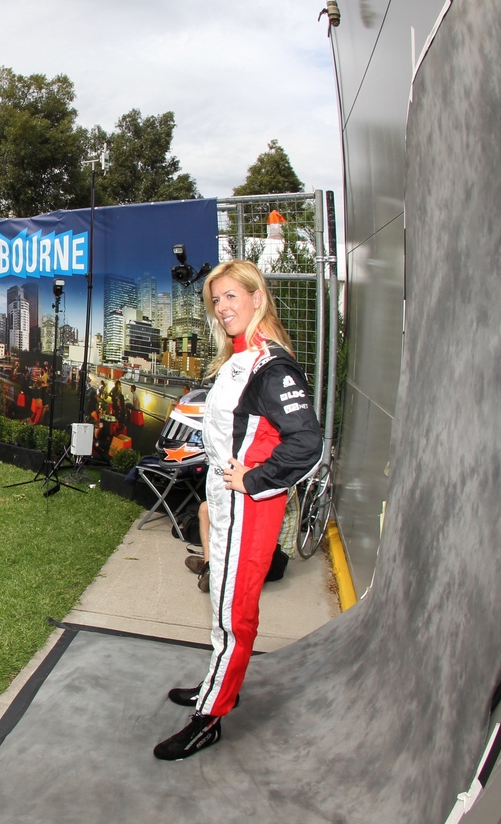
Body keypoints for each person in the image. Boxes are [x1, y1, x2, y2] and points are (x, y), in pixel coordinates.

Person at [153, 260, 323, 761]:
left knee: (233, 613)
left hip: (252, 510)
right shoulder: (237, 358)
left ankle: (211, 717)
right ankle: (220, 680)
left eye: (232, 296)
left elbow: (306, 443)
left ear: (256, 298)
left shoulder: (272, 365)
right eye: (217, 300)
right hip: (230, 507)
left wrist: (252, 479)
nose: (223, 307)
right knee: (223, 607)